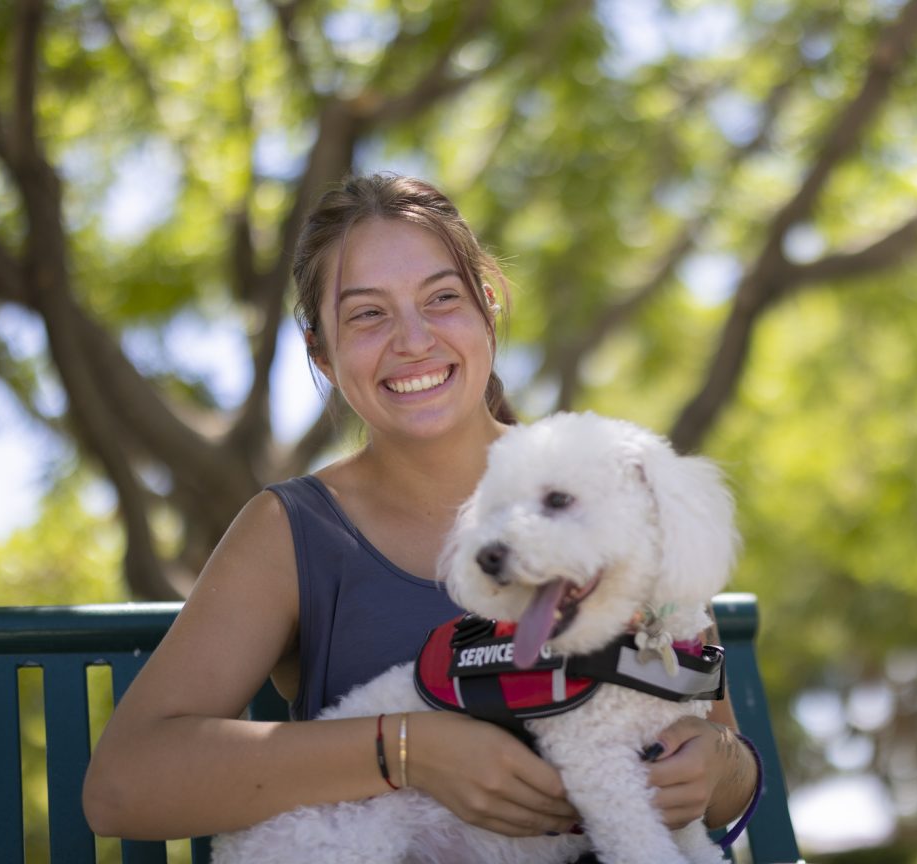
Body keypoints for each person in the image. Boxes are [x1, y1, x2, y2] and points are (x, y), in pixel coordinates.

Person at [82, 173, 760, 848]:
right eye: (367, 313)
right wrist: (404, 750)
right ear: (321, 350)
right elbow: (123, 786)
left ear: (488, 308)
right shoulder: (292, 532)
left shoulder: (604, 487)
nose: (413, 340)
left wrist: (720, 767)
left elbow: (725, 759)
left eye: (441, 298)